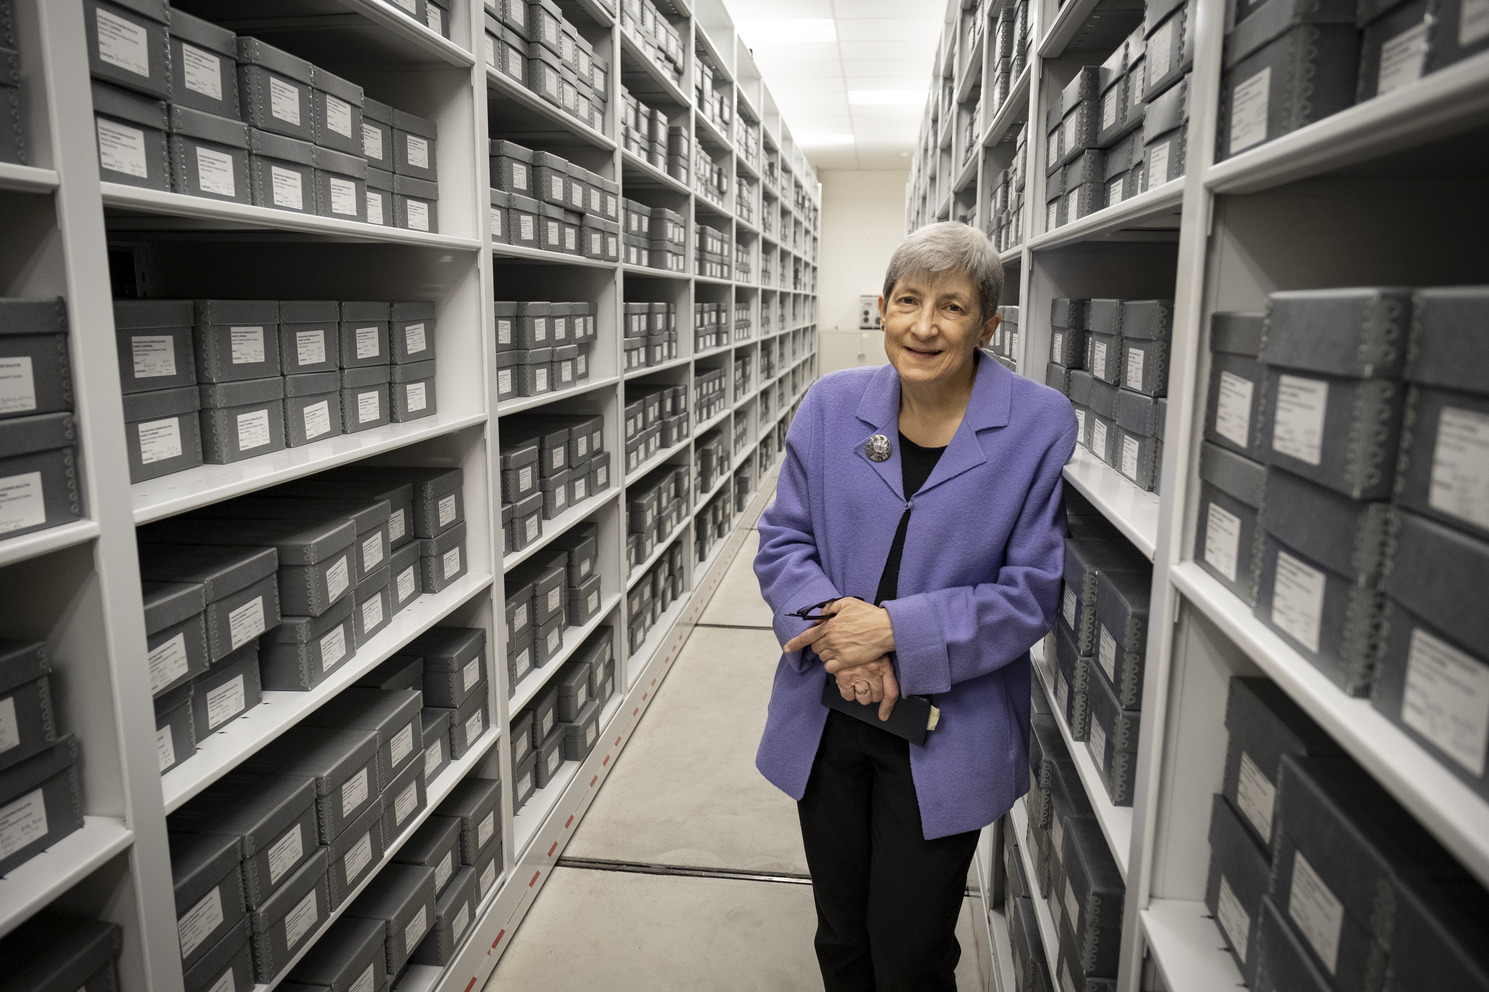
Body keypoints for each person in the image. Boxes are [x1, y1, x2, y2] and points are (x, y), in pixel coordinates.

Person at [753, 221, 1077, 991]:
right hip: (829, 711)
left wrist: (894, 632)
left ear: (986, 325)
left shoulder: (1037, 423)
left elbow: (1028, 592)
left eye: (951, 307)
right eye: (907, 301)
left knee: (911, 953)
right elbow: (783, 542)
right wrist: (841, 642)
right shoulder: (831, 405)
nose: (923, 326)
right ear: (883, 308)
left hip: (945, 727)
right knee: (842, 937)